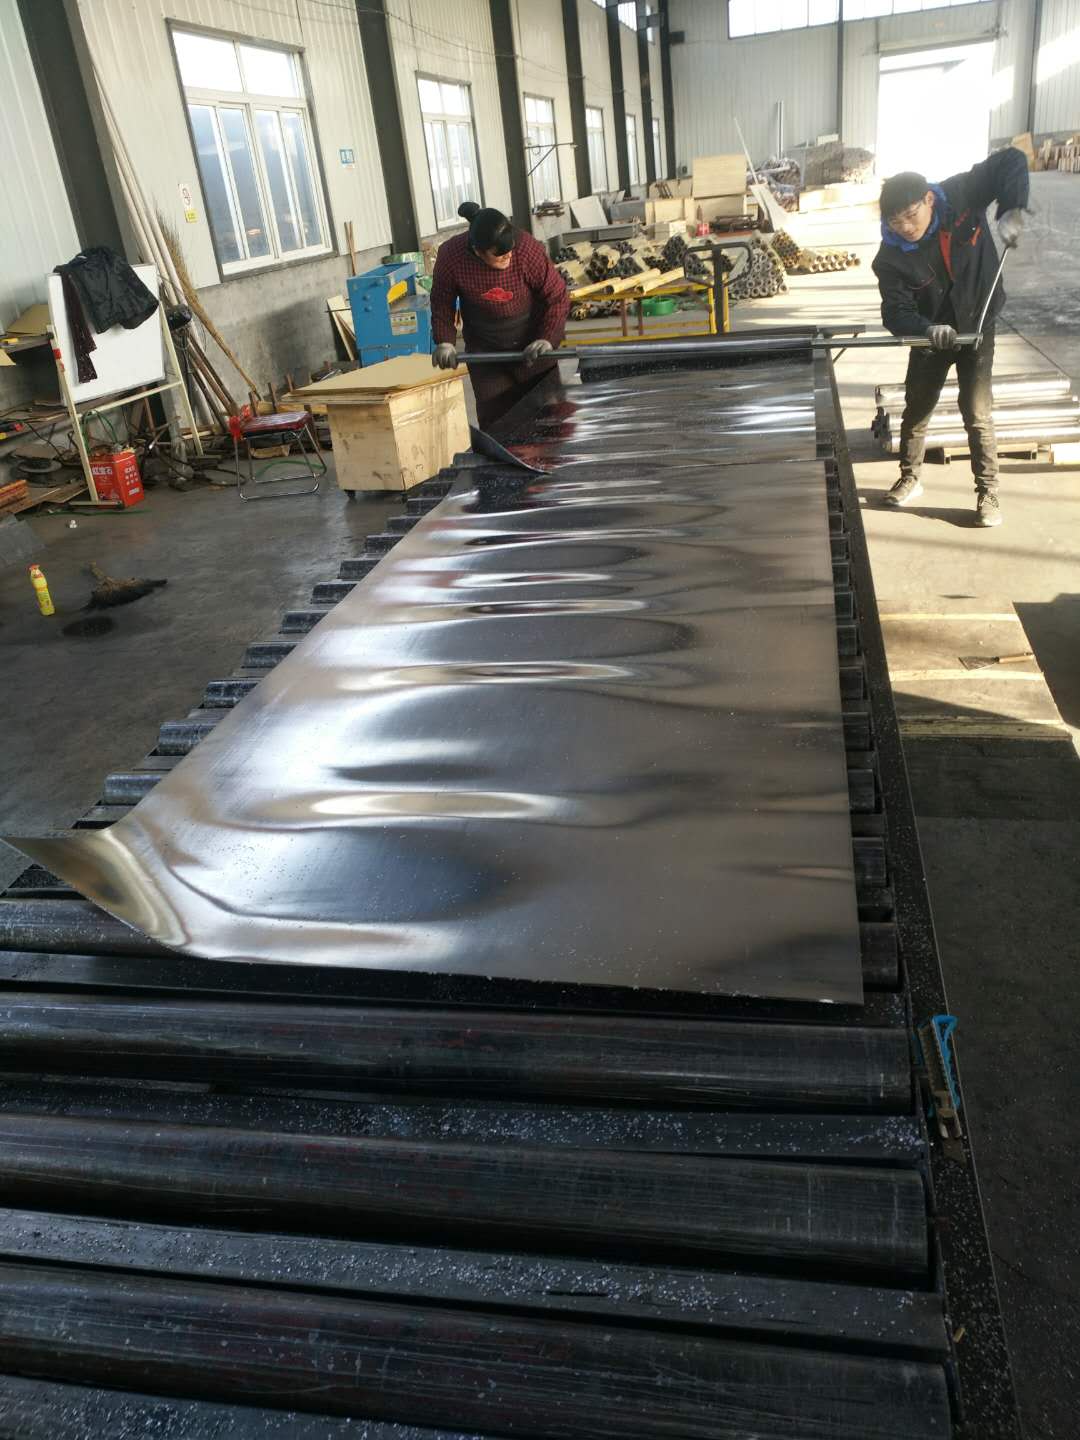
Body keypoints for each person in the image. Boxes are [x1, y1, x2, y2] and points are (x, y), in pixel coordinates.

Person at [873, 147, 1029, 528]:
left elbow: (1011, 160)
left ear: (929, 199)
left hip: (977, 322)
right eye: (895, 221)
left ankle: (988, 491)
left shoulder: (961, 194)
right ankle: (910, 477)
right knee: (917, 407)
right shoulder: (890, 257)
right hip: (932, 333)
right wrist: (925, 329)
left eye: (911, 216)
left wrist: (1012, 208)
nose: (905, 227)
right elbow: (895, 312)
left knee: (976, 410)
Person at [430, 200, 570, 429]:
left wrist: (547, 338)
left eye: (510, 251)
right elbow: (442, 302)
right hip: (486, 353)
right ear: (478, 251)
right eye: (500, 256)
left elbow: (557, 297)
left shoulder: (526, 248)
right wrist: (444, 341)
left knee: (551, 419)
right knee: (498, 425)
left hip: (533, 347)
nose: (509, 257)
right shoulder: (451, 256)